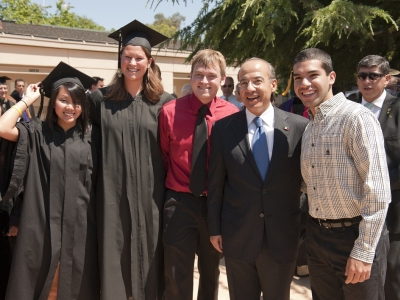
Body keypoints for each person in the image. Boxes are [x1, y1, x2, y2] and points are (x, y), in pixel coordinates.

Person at [294, 48, 391, 300]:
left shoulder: (357, 118)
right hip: (317, 238)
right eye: (297, 77)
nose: (304, 84)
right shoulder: (309, 127)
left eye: (313, 75)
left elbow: (378, 192)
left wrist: (363, 251)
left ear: (332, 77)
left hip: (355, 237)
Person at [207, 58, 308, 300]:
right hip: (238, 236)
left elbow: (307, 184)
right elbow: (216, 183)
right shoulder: (223, 129)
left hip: (282, 237)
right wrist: (214, 228)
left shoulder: (299, 126)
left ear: (273, 85)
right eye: (243, 83)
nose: (249, 88)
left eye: (257, 81)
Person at [88, 20, 174, 300]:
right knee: (114, 249)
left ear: (149, 62)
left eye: (139, 58)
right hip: (112, 194)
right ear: (120, 59)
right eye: (128, 57)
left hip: (153, 195)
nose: (132, 63)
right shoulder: (99, 101)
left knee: (153, 251)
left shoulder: (165, 102)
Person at [0, 61, 100, 300]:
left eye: (76, 101)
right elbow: (3, 127)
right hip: (42, 221)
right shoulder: (36, 132)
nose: (70, 107)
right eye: (63, 100)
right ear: (53, 100)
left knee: (75, 282)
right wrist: (26, 100)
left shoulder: (92, 137)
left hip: (81, 224)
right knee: (39, 280)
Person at [159, 49, 238, 300]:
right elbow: (163, 157)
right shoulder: (169, 112)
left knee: (211, 271)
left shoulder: (233, 116)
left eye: (211, 76)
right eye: (199, 75)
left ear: (222, 79)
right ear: (190, 77)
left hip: (216, 205)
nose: (205, 81)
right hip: (179, 203)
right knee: (176, 273)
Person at [349, 55, 400, 300]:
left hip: (393, 215)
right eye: (362, 76)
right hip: (352, 214)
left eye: (374, 76)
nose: (367, 81)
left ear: (387, 79)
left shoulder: (398, 110)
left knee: (391, 281)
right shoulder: (347, 107)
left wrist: (376, 188)